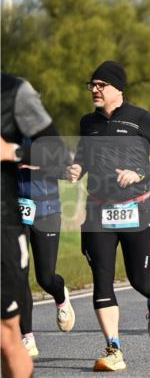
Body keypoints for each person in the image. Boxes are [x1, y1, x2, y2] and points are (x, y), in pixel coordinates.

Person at [66, 61, 150, 372]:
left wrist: (140, 172)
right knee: (102, 280)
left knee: (139, 279)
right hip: (98, 210)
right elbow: (84, 156)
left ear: (118, 89)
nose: (95, 90)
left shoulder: (140, 119)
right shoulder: (88, 123)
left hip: (136, 209)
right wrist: (77, 167)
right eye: (92, 85)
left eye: (101, 85)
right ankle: (114, 349)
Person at [1, 73, 66, 378]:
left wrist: (12, 150)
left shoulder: (13, 92)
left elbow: (56, 152)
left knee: (6, 336)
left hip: (4, 224)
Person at [16, 134, 76, 359]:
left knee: (45, 277)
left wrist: (38, 167)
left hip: (46, 211)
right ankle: (27, 337)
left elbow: (69, 171)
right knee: (18, 275)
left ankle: (60, 296)